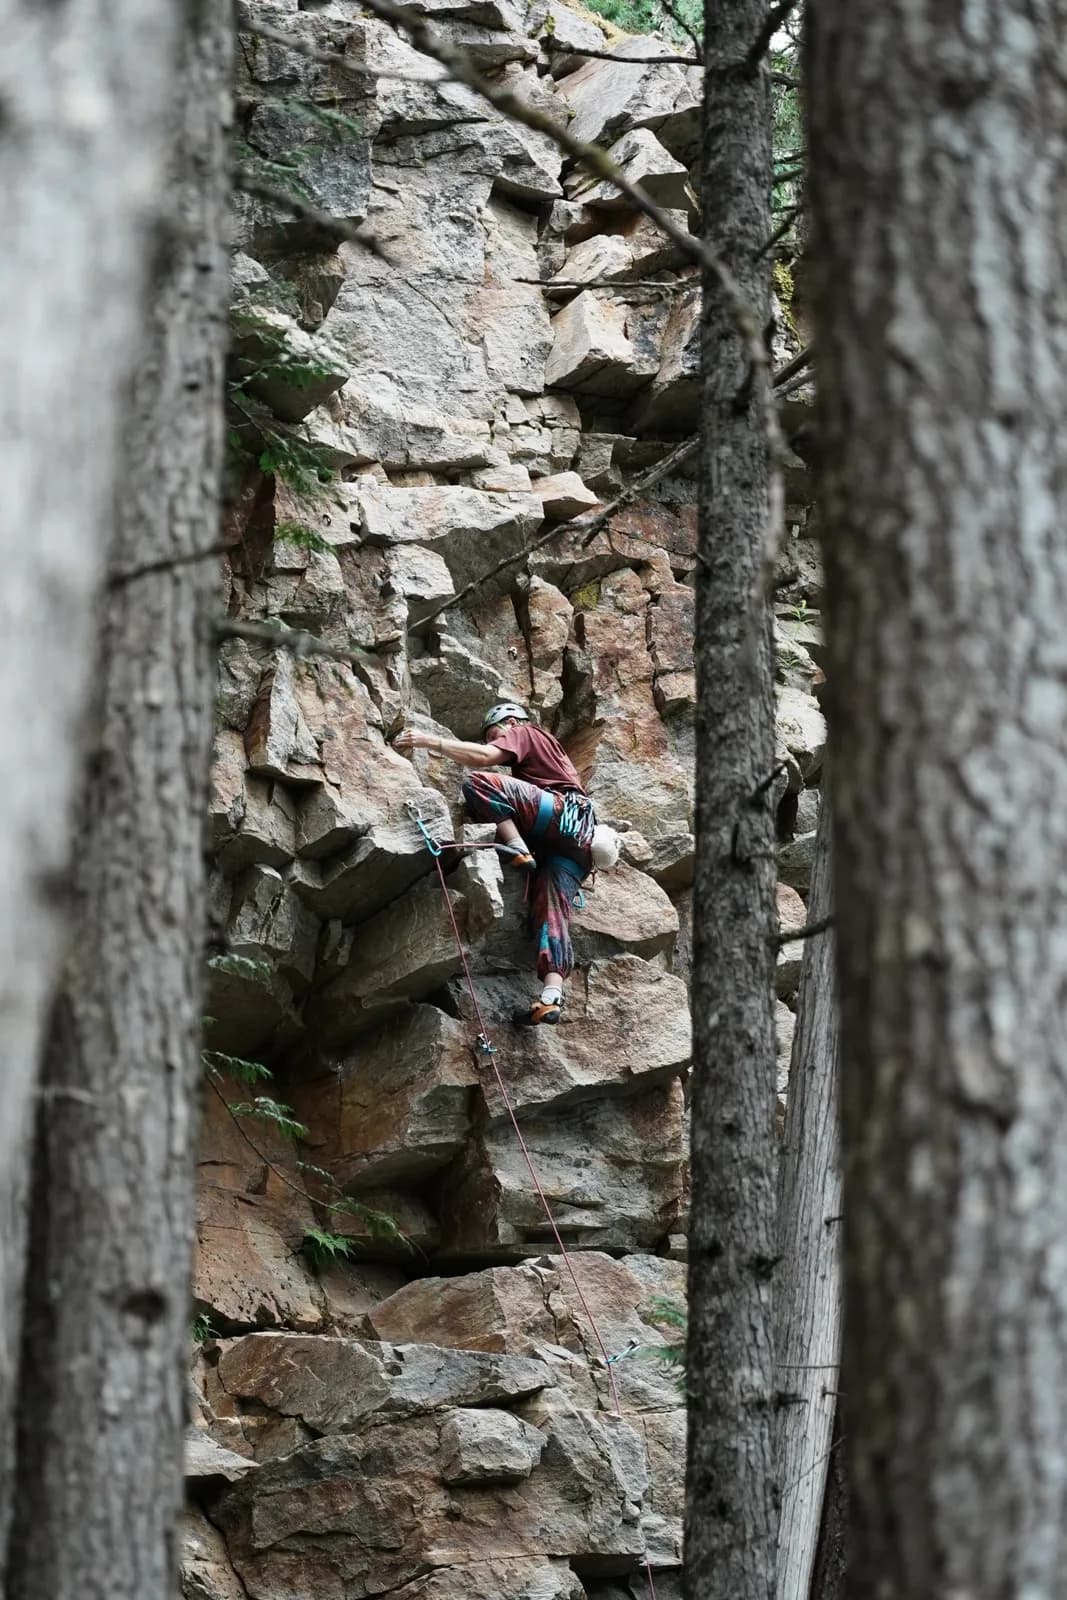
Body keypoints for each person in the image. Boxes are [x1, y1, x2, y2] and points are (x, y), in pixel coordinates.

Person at [394, 703, 595, 1025]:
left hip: (559, 814)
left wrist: (430, 742)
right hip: (578, 846)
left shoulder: (525, 731)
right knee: (552, 916)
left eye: (494, 734)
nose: (494, 742)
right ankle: (551, 995)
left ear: (511, 721)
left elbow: (486, 759)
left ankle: (516, 846)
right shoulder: (549, 756)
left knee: (480, 783)